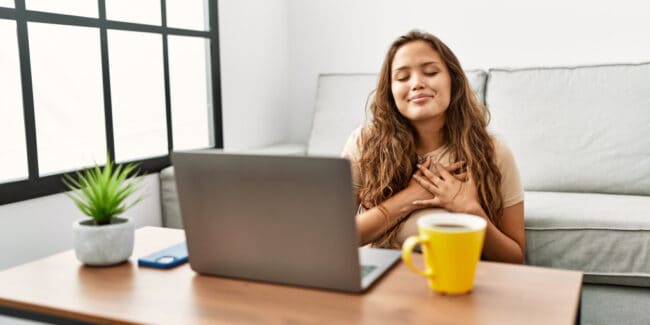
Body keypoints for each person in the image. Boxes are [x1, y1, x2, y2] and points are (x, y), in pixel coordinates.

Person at [341, 30, 525, 264]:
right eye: (402, 77)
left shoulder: (493, 151)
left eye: (430, 72)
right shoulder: (364, 142)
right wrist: (412, 197)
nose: (417, 84)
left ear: (453, 81)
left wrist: (470, 210)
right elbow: (336, 237)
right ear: (390, 91)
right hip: (381, 285)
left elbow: (515, 258)